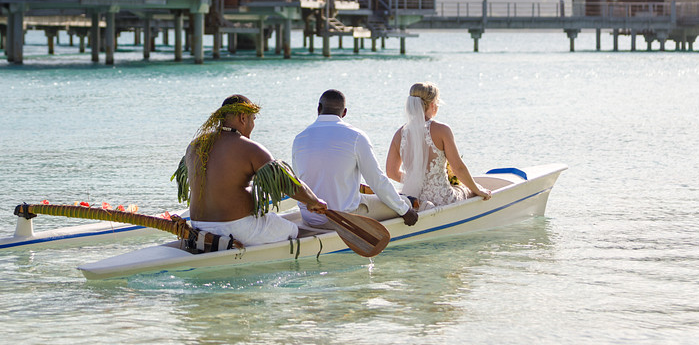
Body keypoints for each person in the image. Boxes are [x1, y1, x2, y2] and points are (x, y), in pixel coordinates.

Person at [173, 94, 328, 245]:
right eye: (253, 119)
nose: (253, 125)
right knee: (294, 230)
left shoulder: (194, 146)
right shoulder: (249, 148)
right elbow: (286, 182)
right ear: (243, 117)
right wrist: (313, 201)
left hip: (198, 225)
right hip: (236, 228)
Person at [292, 89, 419, 229]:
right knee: (405, 202)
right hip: (344, 216)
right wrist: (404, 210)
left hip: (310, 218)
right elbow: (376, 179)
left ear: (319, 108)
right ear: (344, 112)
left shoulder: (299, 138)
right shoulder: (356, 136)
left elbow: (298, 182)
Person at [385, 82, 492, 207]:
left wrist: (416, 182)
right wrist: (478, 190)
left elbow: (391, 172)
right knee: (470, 190)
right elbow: (458, 168)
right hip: (443, 199)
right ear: (432, 104)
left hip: (414, 200)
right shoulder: (442, 130)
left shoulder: (399, 134)